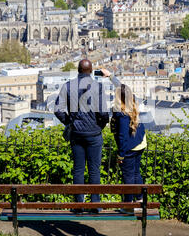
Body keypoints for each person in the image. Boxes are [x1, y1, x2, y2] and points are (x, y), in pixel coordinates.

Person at [54, 59, 109, 213]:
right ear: (91, 71)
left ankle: (79, 205)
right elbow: (103, 113)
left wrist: (69, 123)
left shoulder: (68, 85)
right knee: (94, 170)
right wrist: (101, 125)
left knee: (78, 170)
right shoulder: (97, 86)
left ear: (78, 70)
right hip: (94, 133)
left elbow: (58, 110)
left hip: (76, 133)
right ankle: (95, 205)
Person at [110, 83, 147, 213]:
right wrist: (111, 77)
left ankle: (128, 206)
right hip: (140, 143)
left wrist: (121, 155)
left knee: (128, 176)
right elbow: (125, 91)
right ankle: (140, 200)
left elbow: (122, 137)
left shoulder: (122, 114)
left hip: (129, 148)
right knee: (136, 173)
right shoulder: (133, 103)